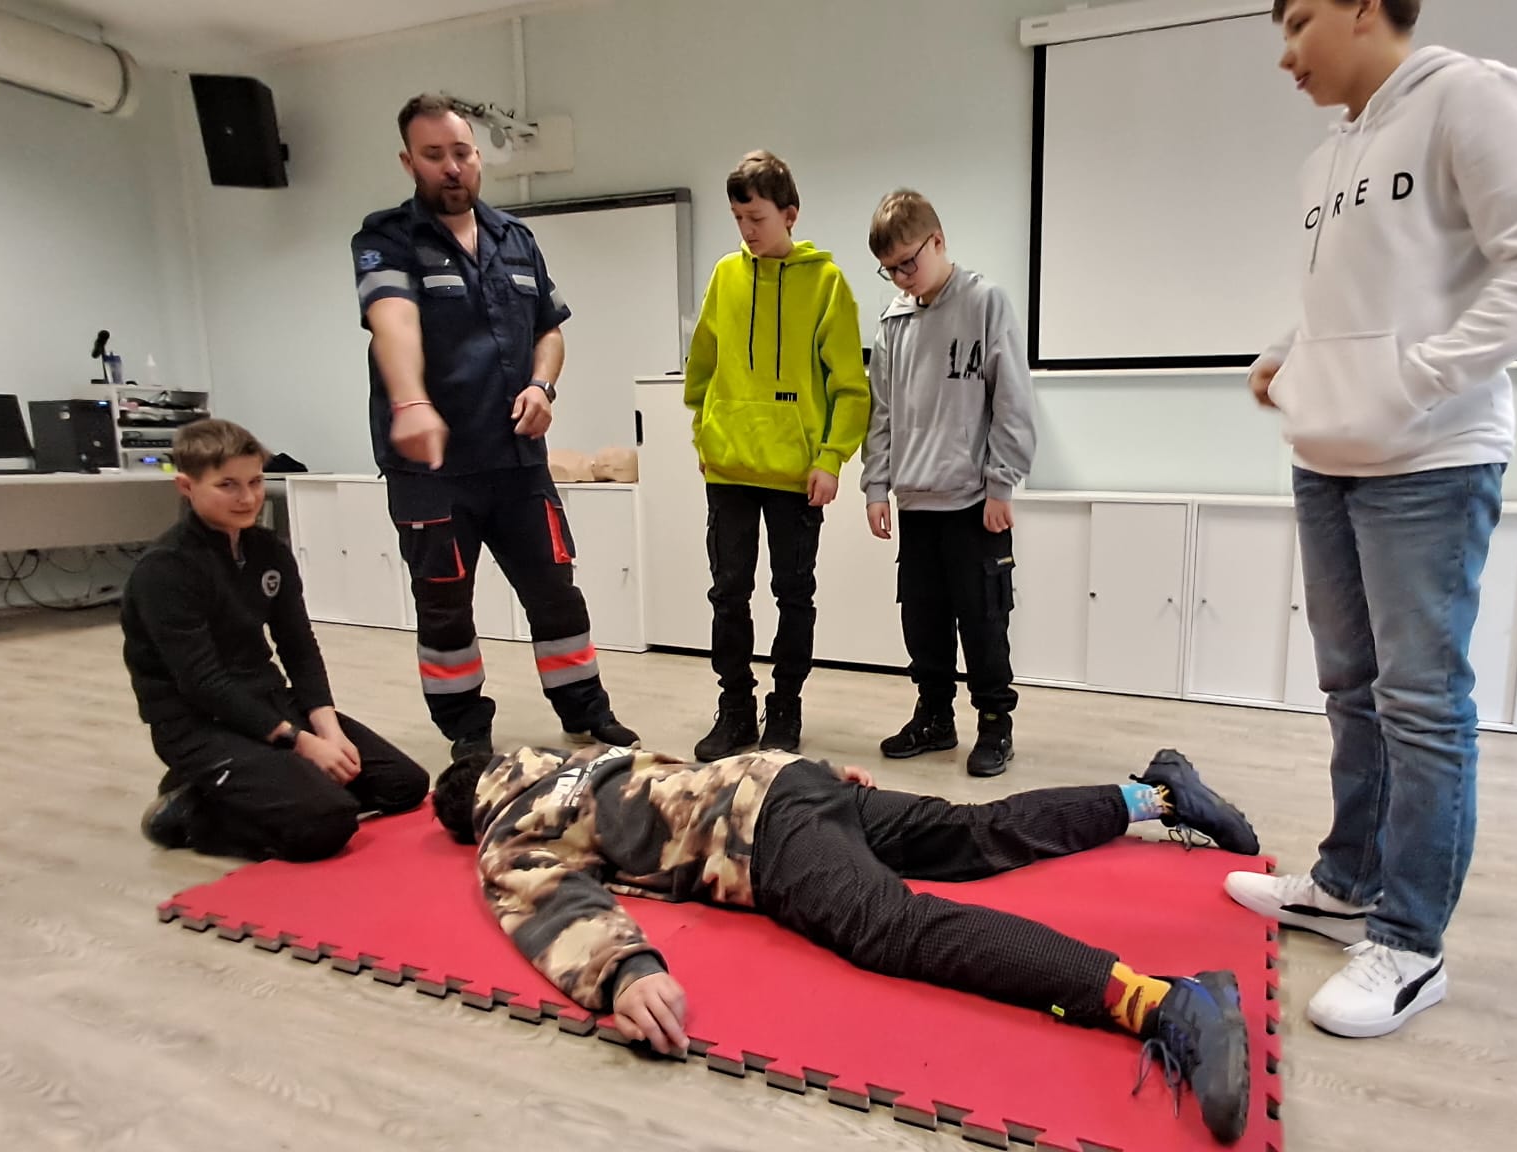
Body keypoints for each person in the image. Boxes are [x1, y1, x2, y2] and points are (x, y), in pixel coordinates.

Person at [1222, 0, 1517, 1039]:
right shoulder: (1327, 157)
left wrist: (1416, 379)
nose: (1286, 55)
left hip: (1430, 461)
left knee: (1421, 702)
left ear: (1359, 6)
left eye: (1298, 21)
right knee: (1350, 686)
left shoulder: (1468, 97)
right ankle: (1348, 884)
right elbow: (1356, 304)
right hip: (1325, 460)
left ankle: (1410, 939)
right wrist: (1289, 353)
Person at [432, 742, 1259, 1144]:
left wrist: (624, 971)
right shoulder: (582, 760)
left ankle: (1162, 1001)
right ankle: (1155, 795)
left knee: (889, 927)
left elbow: (550, 900)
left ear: (470, 813)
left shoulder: (506, 829)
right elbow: (683, 777)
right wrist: (818, 772)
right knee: (971, 833)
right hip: (783, 777)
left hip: (759, 833)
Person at [350, 93, 639, 764]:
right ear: (409, 162)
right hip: (432, 471)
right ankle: (466, 729)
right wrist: (410, 401)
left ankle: (586, 712)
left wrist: (542, 385)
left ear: (479, 156)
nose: (451, 167)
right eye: (434, 155)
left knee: (556, 592)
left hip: (517, 462)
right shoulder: (386, 239)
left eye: (461, 152)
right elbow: (392, 320)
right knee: (445, 605)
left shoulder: (516, 238)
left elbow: (550, 331)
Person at [124, 419, 430, 860]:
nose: (248, 498)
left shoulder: (267, 550)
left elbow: (298, 645)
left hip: (268, 702)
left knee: (404, 785)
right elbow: (203, 684)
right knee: (327, 824)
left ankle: (262, 788)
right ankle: (193, 812)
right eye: (227, 485)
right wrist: (300, 743)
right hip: (198, 724)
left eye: (255, 481)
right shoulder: (165, 569)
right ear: (187, 486)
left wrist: (327, 728)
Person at [682, 150, 871, 761]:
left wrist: (832, 458)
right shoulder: (725, 276)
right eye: (738, 218)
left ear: (790, 214)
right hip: (729, 468)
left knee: (794, 595)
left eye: (757, 218)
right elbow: (702, 367)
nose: (747, 230)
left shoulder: (827, 283)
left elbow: (850, 387)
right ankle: (735, 708)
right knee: (728, 594)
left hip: (796, 475)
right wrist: (704, 435)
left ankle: (784, 705)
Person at [860, 189, 1036, 778]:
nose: (901, 277)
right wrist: (877, 486)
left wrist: (1001, 484)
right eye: (889, 269)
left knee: (983, 620)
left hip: (973, 502)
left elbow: (1012, 400)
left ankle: (995, 724)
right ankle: (935, 717)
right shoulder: (894, 321)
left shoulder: (985, 302)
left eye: (908, 262)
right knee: (923, 620)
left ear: (938, 241)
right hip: (916, 500)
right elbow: (882, 411)